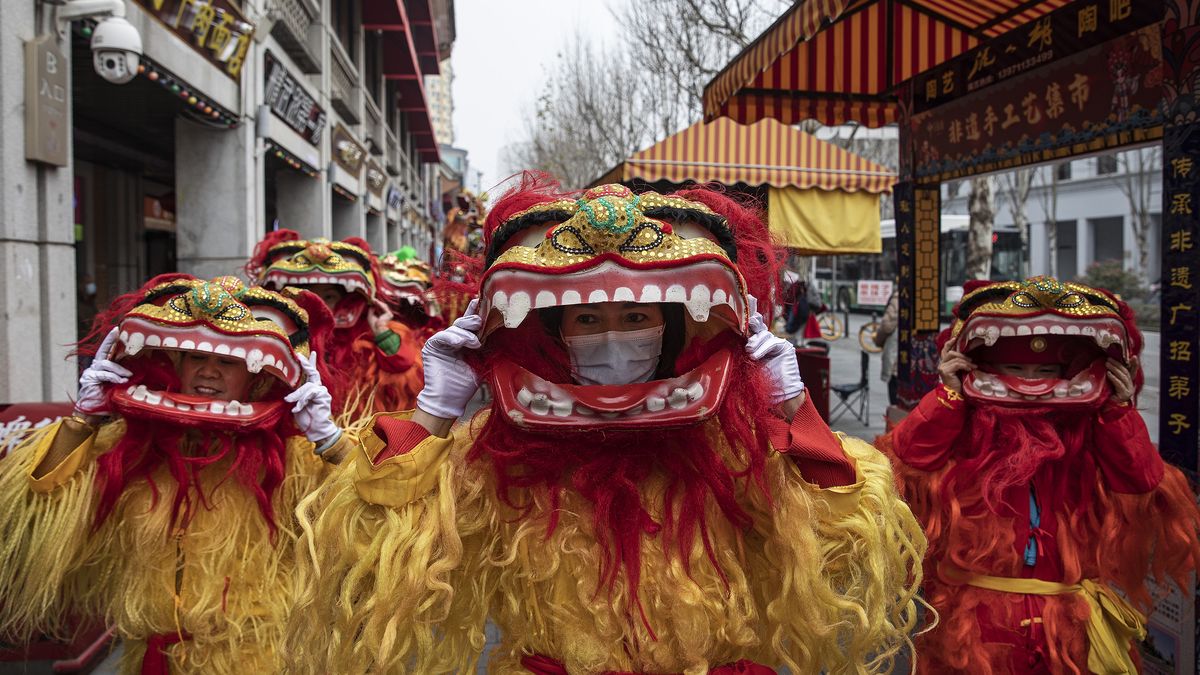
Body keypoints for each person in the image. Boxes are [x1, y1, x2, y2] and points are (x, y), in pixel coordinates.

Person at [285, 178, 925, 673]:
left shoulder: (735, 443)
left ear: (673, 326)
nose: (612, 337)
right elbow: (374, 562)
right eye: (587, 322)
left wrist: (791, 408)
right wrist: (433, 413)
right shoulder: (497, 449)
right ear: (554, 334)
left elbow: (848, 550)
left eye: (636, 317)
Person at [0, 274, 352, 674]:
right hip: (149, 657)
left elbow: (370, 528)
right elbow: (31, 524)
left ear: (255, 379)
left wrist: (328, 440)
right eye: (197, 358)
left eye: (227, 362)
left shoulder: (292, 459)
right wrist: (83, 420)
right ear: (177, 363)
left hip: (256, 657)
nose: (209, 372)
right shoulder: (127, 448)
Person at [878, 276, 1200, 673]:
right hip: (969, 624)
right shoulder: (961, 425)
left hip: (1069, 627)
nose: (1030, 380)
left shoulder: (1088, 431)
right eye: (1014, 366)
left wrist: (1117, 411)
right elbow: (905, 465)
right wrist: (948, 397)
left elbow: (1143, 486)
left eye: (1046, 368)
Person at [245, 233, 424, 421]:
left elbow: (406, 380)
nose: (316, 303)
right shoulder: (267, 339)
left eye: (328, 296)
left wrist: (383, 334)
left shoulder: (362, 341)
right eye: (303, 294)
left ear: (346, 302)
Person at [874, 290, 899, 405]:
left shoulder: (899, 297)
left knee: (896, 404)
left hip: (897, 360)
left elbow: (886, 325)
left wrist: (878, 341)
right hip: (920, 365)